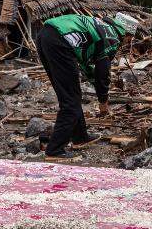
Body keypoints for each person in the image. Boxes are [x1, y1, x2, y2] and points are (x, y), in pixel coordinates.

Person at [36, 13, 138, 160]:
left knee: (70, 95)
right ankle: (55, 149)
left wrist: (97, 86)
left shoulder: (104, 27)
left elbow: (88, 65)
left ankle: (80, 137)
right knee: (71, 100)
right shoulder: (113, 38)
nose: (129, 42)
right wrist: (103, 101)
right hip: (60, 41)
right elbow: (103, 73)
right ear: (127, 33)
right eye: (130, 38)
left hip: (46, 35)